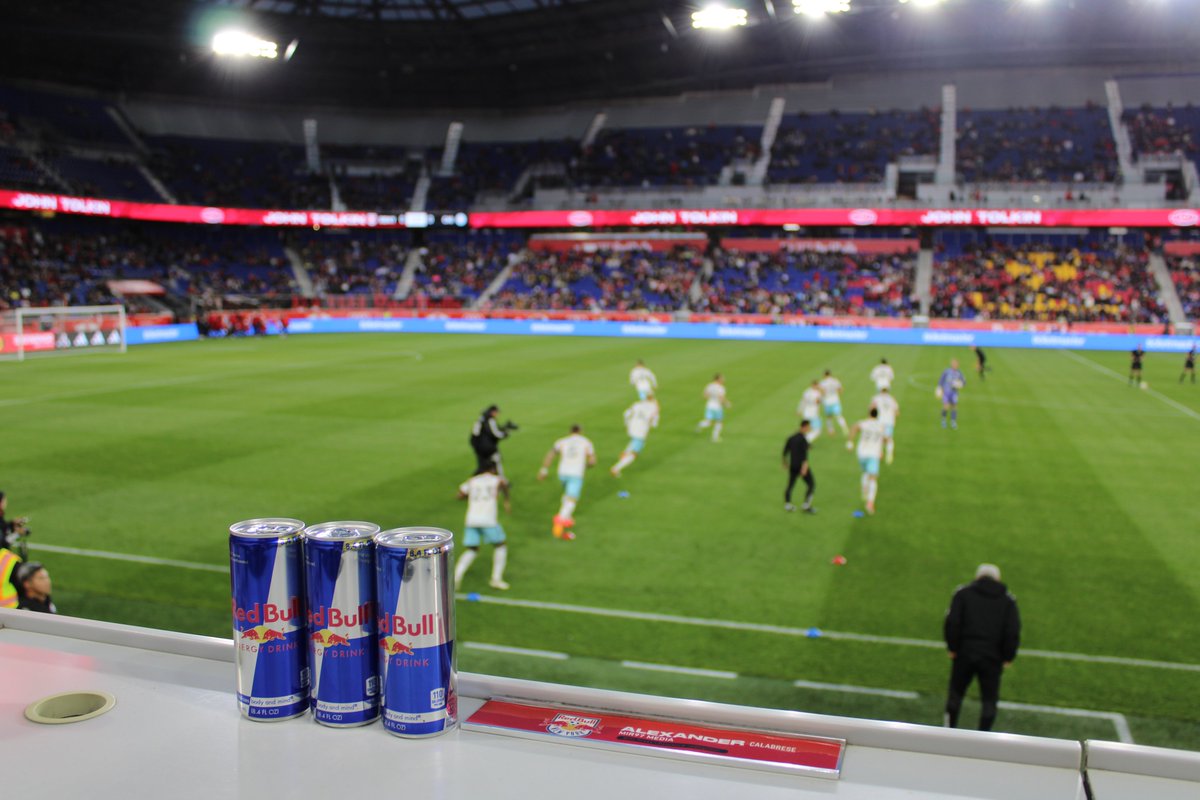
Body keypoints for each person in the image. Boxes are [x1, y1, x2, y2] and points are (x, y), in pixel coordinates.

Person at [943, 563, 1021, 732]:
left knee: (955, 695)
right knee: (989, 701)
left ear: (978, 577)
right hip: (992, 658)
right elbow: (1012, 631)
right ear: (997, 579)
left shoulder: (962, 594)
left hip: (964, 653)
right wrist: (1008, 656)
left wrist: (953, 647)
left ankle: (948, 731)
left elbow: (953, 622)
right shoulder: (1008, 600)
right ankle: (984, 736)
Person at [454, 464, 511, 591]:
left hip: (471, 520)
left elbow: (460, 495)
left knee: (472, 549)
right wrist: (506, 500)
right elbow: (505, 485)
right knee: (500, 545)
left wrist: (472, 498)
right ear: (493, 470)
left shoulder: (472, 480)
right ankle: (496, 579)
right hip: (488, 520)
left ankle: (456, 576)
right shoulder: (497, 479)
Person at [538, 424, 597, 541]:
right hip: (576, 474)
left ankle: (568, 517)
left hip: (562, 473)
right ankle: (560, 522)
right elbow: (592, 461)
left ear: (570, 432)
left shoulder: (562, 441)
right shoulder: (586, 442)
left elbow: (550, 455)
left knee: (567, 495)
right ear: (580, 431)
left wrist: (544, 470)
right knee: (572, 499)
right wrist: (585, 465)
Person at [846, 408, 886, 515]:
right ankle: (870, 502)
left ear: (869, 414)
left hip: (861, 453)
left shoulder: (864, 423)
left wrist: (850, 442)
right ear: (877, 415)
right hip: (873, 454)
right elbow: (884, 439)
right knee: (873, 477)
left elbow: (853, 428)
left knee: (865, 472)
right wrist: (881, 451)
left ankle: (864, 491)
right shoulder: (881, 425)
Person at [611, 394, 660, 477]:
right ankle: (616, 468)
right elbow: (654, 424)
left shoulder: (637, 404)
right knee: (634, 453)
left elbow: (626, 414)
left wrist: (626, 424)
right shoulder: (654, 408)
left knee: (633, 443)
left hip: (632, 428)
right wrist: (657, 411)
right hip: (641, 431)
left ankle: (625, 453)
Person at [469, 405, 517, 478]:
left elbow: (475, 434)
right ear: (493, 412)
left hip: (478, 447)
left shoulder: (480, 420)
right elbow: (495, 434)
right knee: (497, 462)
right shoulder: (490, 420)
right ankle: (502, 481)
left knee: (482, 466)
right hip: (488, 448)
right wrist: (505, 434)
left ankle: (473, 481)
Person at [782, 420, 816, 513]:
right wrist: (804, 468)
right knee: (811, 484)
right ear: (804, 427)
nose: (809, 429)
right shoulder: (803, 439)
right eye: (808, 427)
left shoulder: (791, 438)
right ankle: (806, 505)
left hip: (793, 465)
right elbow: (804, 455)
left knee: (790, 485)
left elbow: (785, 451)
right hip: (801, 466)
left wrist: (785, 463)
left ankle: (788, 504)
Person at [695, 374, 730, 442]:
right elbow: (721, 398)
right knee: (719, 422)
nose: (723, 380)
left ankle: (699, 425)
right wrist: (727, 403)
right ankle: (715, 438)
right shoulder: (721, 388)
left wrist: (712, 398)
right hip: (717, 407)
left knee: (708, 422)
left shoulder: (709, 386)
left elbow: (705, 396)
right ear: (718, 379)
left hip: (709, 406)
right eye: (722, 378)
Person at [870, 387, 900, 465]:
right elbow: (897, 412)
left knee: (879, 437)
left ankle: (879, 453)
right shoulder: (892, 399)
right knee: (889, 438)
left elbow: (871, 408)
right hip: (890, 421)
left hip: (880, 421)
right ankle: (889, 454)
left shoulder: (876, 398)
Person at [937, 359, 967, 430]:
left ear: (958, 365)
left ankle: (953, 421)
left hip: (954, 393)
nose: (954, 365)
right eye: (953, 364)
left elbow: (964, 382)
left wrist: (960, 384)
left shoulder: (959, 373)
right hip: (946, 392)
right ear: (951, 364)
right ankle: (943, 420)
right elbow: (941, 380)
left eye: (956, 364)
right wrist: (939, 388)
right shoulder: (946, 371)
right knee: (946, 406)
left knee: (954, 406)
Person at [818, 370, 849, 437]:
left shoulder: (822, 383)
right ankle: (845, 428)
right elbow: (841, 390)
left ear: (824, 375)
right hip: (835, 401)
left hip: (827, 402)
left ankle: (831, 431)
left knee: (829, 417)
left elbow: (822, 392)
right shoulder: (835, 381)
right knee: (839, 416)